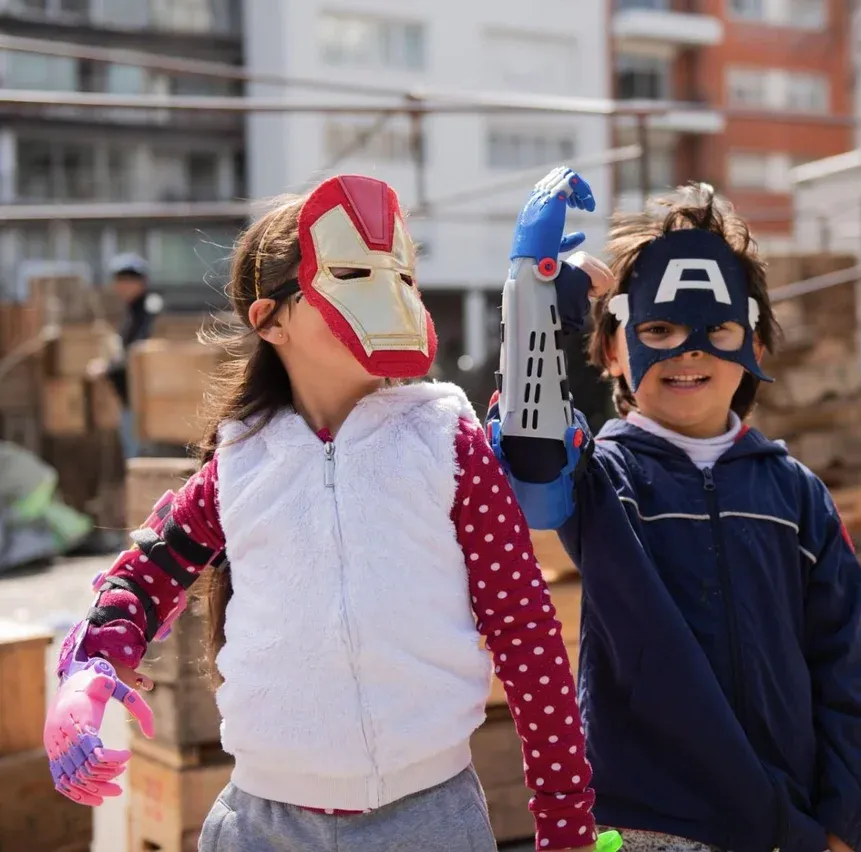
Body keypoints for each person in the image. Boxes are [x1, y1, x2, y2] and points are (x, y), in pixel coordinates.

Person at [43, 174, 600, 852]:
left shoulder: (446, 442)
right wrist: (89, 665)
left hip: (428, 819)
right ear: (269, 320)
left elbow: (525, 631)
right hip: (260, 827)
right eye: (351, 272)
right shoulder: (239, 463)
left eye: (399, 273)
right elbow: (140, 578)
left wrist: (566, 822)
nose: (385, 291)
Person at [486, 169, 861, 852]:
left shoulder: (796, 495)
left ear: (755, 345)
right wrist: (533, 305)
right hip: (646, 822)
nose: (689, 350)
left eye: (716, 328)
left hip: (784, 827)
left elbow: (846, 664)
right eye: (659, 328)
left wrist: (845, 822)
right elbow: (533, 462)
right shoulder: (600, 482)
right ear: (612, 349)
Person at [87, 252, 163, 458]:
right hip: (129, 399)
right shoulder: (132, 312)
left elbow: (139, 351)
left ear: (142, 281)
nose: (123, 286)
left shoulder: (149, 309)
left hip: (145, 402)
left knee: (142, 458)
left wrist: (107, 368)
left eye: (129, 280)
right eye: (120, 280)